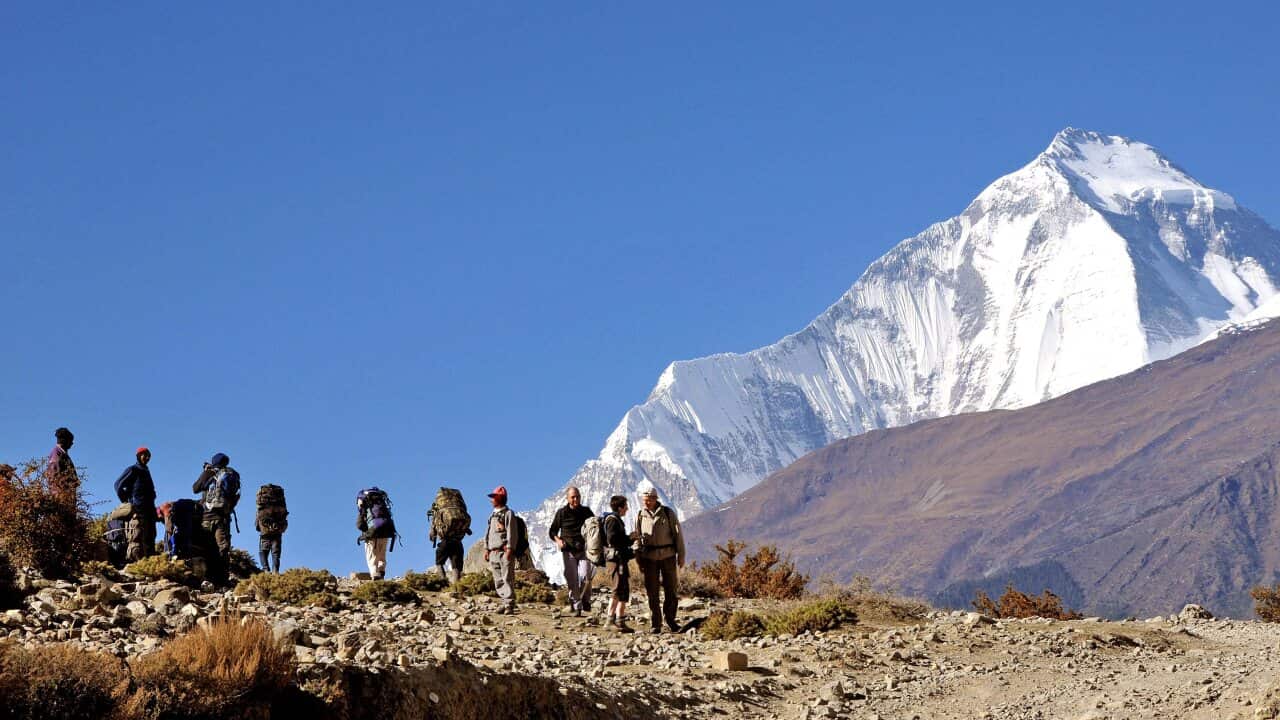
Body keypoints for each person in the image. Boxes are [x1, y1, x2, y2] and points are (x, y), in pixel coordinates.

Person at [634, 486, 685, 634]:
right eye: (644, 500)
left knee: (671, 589)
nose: (646, 503)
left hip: (668, 556)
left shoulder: (667, 513)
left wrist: (681, 555)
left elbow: (678, 535)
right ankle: (656, 623)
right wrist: (638, 558)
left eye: (649, 500)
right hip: (649, 558)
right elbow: (637, 537)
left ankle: (671, 620)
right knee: (652, 591)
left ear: (655, 499)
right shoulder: (640, 515)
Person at [192, 453, 240, 582]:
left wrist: (206, 473)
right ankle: (222, 578)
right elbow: (235, 494)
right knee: (222, 547)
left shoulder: (209, 473)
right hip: (223, 517)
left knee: (206, 546)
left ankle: (206, 577)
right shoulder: (231, 474)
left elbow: (195, 488)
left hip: (206, 517)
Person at [548, 486, 595, 616]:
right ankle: (576, 605)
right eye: (573, 497)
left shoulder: (586, 512)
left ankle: (585, 600)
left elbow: (594, 527)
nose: (576, 499)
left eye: (578, 496)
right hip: (568, 551)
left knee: (586, 575)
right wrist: (558, 540)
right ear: (568, 499)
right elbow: (552, 531)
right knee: (572, 578)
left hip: (584, 549)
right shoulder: (562, 513)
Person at [114, 447, 158, 562]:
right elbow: (118, 485)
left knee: (151, 537)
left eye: (149, 456)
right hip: (138, 509)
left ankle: (152, 565)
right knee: (139, 537)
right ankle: (139, 564)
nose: (147, 457)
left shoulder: (146, 471)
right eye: (144, 455)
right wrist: (127, 502)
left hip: (149, 510)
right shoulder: (133, 469)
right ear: (138, 456)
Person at [483, 485, 518, 615]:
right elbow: (488, 533)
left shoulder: (508, 514)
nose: (491, 500)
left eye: (494, 497)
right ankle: (504, 601)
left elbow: (512, 532)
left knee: (507, 577)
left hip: (504, 552)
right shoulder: (492, 516)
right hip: (493, 552)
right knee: (498, 579)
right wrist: (487, 549)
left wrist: (510, 549)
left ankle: (509, 603)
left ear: (500, 498)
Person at [427, 487, 471, 589]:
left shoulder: (439, 510)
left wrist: (433, 534)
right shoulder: (459, 507)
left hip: (445, 540)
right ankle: (457, 586)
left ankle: (443, 583)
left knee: (439, 563)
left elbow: (434, 524)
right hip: (458, 540)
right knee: (456, 565)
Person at [603, 494, 635, 633]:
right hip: (616, 561)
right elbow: (612, 539)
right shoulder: (612, 521)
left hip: (620, 559)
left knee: (623, 588)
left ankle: (620, 620)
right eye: (625, 506)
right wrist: (629, 538)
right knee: (617, 588)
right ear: (620, 507)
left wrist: (630, 539)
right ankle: (609, 620)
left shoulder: (617, 520)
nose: (627, 509)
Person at [356, 487, 397, 580]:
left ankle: (375, 576)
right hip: (387, 530)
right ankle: (381, 571)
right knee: (381, 554)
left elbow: (359, 525)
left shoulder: (364, 507)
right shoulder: (380, 503)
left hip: (374, 531)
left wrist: (365, 532)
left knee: (372, 557)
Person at [255, 484, 288, 574]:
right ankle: (275, 571)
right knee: (276, 552)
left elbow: (258, 516)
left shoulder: (263, 504)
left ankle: (266, 569)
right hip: (278, 528)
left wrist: (258, 526)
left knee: (263, 551)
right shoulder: (279, 502)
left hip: (265, 529)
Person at [47, 427, 79, 499]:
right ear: (65, 440)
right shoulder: (56, 454)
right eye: (70, 441)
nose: (72, 443)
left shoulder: (62, 454)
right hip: (61, 496)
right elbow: (54, 476)